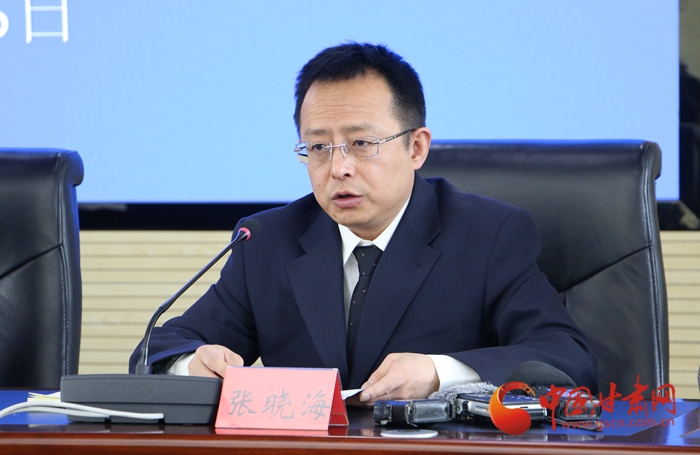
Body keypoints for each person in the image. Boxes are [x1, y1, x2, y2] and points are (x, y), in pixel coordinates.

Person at [130, 42, 598, 405]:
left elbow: (568, 359)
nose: (339, 169)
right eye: (318, 147)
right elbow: (158, 350)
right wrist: (191, 365)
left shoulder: (489, 235)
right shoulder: (267, 240)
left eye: (361, 144)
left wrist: (440, 373)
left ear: (416, 147)